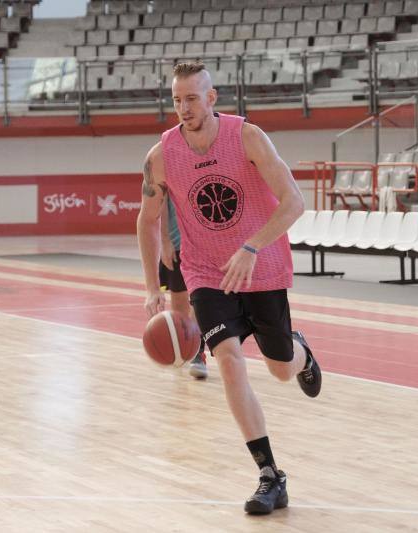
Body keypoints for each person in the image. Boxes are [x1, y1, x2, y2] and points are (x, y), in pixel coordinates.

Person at [136, 62, 322, 515]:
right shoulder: (161, 155)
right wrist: (152, 287)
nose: (183, 108)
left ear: (212, 97)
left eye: (192, 98)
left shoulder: (248, 137)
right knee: (229, 360)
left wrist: (253, 246)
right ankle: (269, 474)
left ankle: (301, 354)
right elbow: (146, 220)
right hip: (205, 271)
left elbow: (295, 201)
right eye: (177, 99)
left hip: (262, 266)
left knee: (279, 368)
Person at [159, 197, 208, 379]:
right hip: (177, 242)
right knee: (179, 306)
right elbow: (161, 204)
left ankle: (198, 352)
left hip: (206, 243)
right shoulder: (166, 169)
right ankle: (183, 347)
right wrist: (164, 240)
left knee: (199, 300)